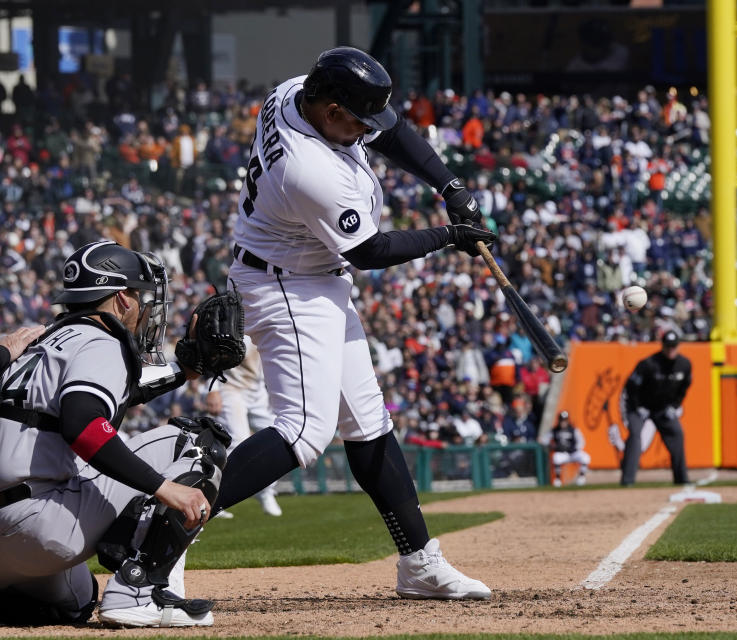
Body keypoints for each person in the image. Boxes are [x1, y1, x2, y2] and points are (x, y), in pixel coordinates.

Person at [216, 46, 495, 600]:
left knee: (368, 423)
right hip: (285, 283)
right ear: (332, 109)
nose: (367, 129)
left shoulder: (301, 89)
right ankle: (164, 524)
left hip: (310, 275)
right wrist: (448, 236)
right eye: (358, 121)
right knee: (303, 431)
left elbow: (392, 133)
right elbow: (368, 249)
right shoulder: (308, 168)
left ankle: (419, 563)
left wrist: (451, 188)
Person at [0, 241, 231, 627]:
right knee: (196, 442)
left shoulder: (31, 346)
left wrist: (182, 372)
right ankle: (138, 593)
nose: (143, 307)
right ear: (122, 297)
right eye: (140, 296)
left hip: (10, 538)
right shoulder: (101, 340)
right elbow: (84, 423)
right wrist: (163, 487)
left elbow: (112, 395)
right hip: (40, 526)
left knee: (77, 600)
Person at [204, 335, 282, 517]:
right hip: (230, 388)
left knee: (281, 436)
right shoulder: (233, 317)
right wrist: (212, 389)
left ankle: (266, 492)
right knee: (237, 442)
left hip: (257, 391)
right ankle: (214, 496)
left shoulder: (268, 319)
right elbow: (210, 353)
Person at [619, 330, 692, 486]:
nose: (671, 350)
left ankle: (682, 479)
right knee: (635, 436)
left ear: (678, 346)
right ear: (662, 346)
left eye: (674, 346)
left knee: (677, 433)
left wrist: (674, 406)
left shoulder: (684, 365)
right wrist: (638, 407)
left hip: (662, 408)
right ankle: (627, 480)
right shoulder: (648, 364)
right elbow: (631, 387)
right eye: (668, 346)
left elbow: (684, 389)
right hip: (639, 407)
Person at [541, 411, 590, 487]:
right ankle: (558, 479)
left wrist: (574, 448)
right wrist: (553, 446)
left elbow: (581, 442)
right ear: (559, 421)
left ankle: (581, 477)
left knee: (585, 457)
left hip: (573, 453)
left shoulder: (573, 430)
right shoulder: (554, 430)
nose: (563, 422)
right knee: (555, 457)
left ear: (568, 420)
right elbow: (544, 440)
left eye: (565, 420)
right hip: (562, 453)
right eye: (562, 420)